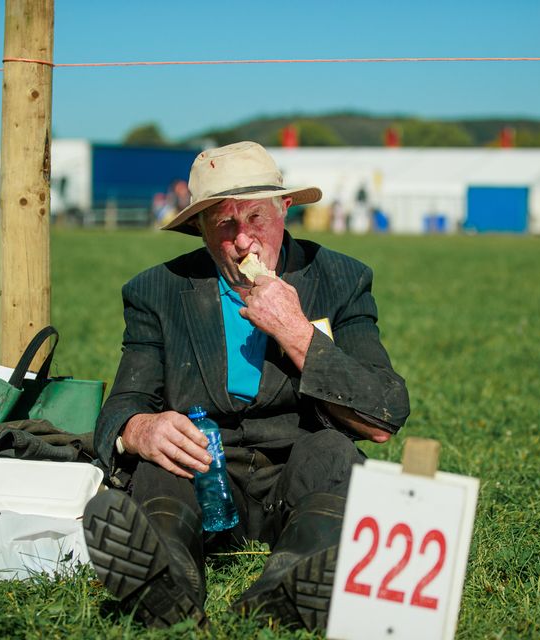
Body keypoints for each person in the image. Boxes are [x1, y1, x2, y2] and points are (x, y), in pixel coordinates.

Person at [83, 141, 409, 631]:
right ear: (199, 227)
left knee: (336, 456)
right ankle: (168, 579)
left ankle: (293, 577)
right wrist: (139, 427)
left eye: (257, 218)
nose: (243, 241)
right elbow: (126, 402)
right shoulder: (158, 290)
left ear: (285, 208)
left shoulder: (341, 279)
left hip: (298, 471)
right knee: (160, 462)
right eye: (223, 224)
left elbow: (384, 413)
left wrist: (296, 332)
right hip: (204, 474)